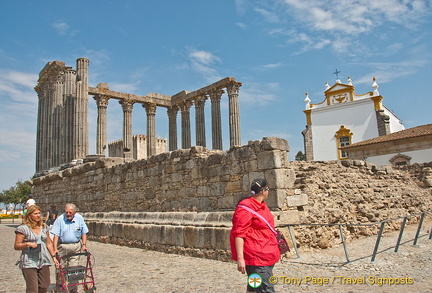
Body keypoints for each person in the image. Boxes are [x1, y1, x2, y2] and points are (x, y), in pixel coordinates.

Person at [230, 178, 280, 293]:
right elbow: (239, 234)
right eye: (268, 189)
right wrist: (240, 259)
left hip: (266, 253)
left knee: (253, 287)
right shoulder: (246, 208)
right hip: (257, 257)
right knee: (266, 289)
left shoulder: (262, 205)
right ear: (263, 191)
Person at [14, 205, 59, 293]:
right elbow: (16, 245)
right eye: (35, 214)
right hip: (29, 261)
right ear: (29, 215)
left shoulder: (44, 227)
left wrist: (54, 256)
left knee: (44, 285)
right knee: (32, 289)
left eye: (39, 213)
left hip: (43, 260)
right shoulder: (23, 229)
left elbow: (48, 243)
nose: (38, 215)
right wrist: (27, 243)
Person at [51, 203, 89, 292]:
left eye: (70, 212)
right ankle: (60, 287)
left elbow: (84, 233)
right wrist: (55, 249)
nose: (68, 214)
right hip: (62, 246)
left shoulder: (79, 219)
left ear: (75, 212)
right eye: (66, 212)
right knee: (61, 268)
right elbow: (55, 236)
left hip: (75, 246)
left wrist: (84, 245)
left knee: (74, 268)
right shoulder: (60, 220)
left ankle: (72, 289)